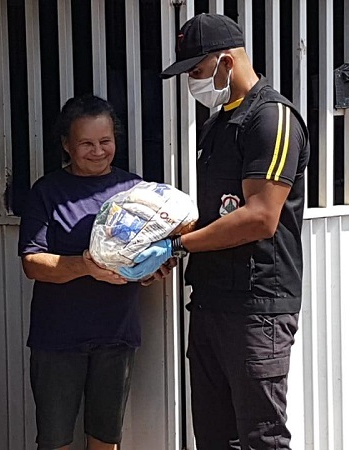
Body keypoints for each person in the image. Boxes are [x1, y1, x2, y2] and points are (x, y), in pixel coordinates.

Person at [119, 13, 311, 449]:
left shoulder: (273, 119)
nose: (193, 82)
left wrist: (178, 244)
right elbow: (217, 216)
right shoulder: (220, 123)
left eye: (197, 70)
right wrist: (166, 248)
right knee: (213, 435)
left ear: (226, 61)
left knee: (261, 436)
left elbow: (261, 216)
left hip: (256, 304)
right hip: (210, 300)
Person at [18, 95, 171, 450]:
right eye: (86, 143)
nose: (98, 151)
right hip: (58, 338)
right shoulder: (47, 192)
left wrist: (152, 269)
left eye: (105, 141)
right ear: (66, 145)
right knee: (55, 441)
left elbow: (153, 251)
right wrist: (88, 267)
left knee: (106, 441)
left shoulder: (136, 190)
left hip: (115, 334)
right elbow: (32, 263)